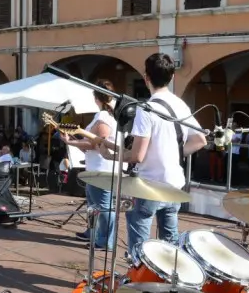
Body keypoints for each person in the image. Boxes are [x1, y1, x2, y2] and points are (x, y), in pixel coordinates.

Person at [99, 53, 207, 261]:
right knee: (170, 245)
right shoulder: (180, 105)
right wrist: (173, 154)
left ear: (146, 77)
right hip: (174, 184)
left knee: (139, 247)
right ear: (172, 76)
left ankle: (138, 283)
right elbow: (201, 140)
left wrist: (110, 155)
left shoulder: (146, 109)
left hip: (149, 186)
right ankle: (168, 285)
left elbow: (137, 156)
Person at [62, 79, 118, 250]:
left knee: (104, 206)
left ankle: (104, 241)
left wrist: (71, 143)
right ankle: (92, 232)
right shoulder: (105, 115)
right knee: (94, 204)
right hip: (97, 167)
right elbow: (94, 142)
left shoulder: (103, 117)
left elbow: (98, 142)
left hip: (102, 169)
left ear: (96, 97)